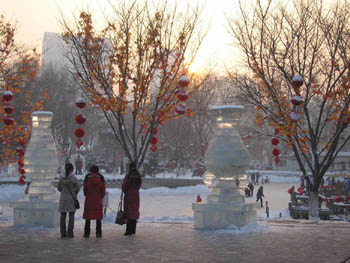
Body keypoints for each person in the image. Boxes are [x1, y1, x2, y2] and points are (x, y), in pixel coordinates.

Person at [57, 163, 80, 238]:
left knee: (63, 216)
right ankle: (70, 233)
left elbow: (59, 188)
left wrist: (63, 192)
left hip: (63, 198)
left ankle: (63, 233)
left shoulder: (61, 178)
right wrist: (74, 193)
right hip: (71, 199)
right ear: (72, 169)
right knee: (71, 216)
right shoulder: (73, 178)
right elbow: (77, 188)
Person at [83, 165, 106, 238]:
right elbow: (103, 191)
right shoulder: (101, 179)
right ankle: (98, 233)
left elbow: (85, 191)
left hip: (89, 200)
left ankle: (87, 233)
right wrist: (99, 197)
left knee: (88, 217)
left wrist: (88, 195)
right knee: (98, 217)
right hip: (98, 200)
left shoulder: (87, 179)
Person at [122, 162, 142, 236]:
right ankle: (133, 230)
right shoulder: (138, 175)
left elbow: (124, 186)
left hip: (129, 194)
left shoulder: (128, 176)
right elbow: (139, 184)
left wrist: (126, 191)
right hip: (136, 195)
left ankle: (128, 231)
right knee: (135, 211)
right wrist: (135, 189)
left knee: (128, 211)